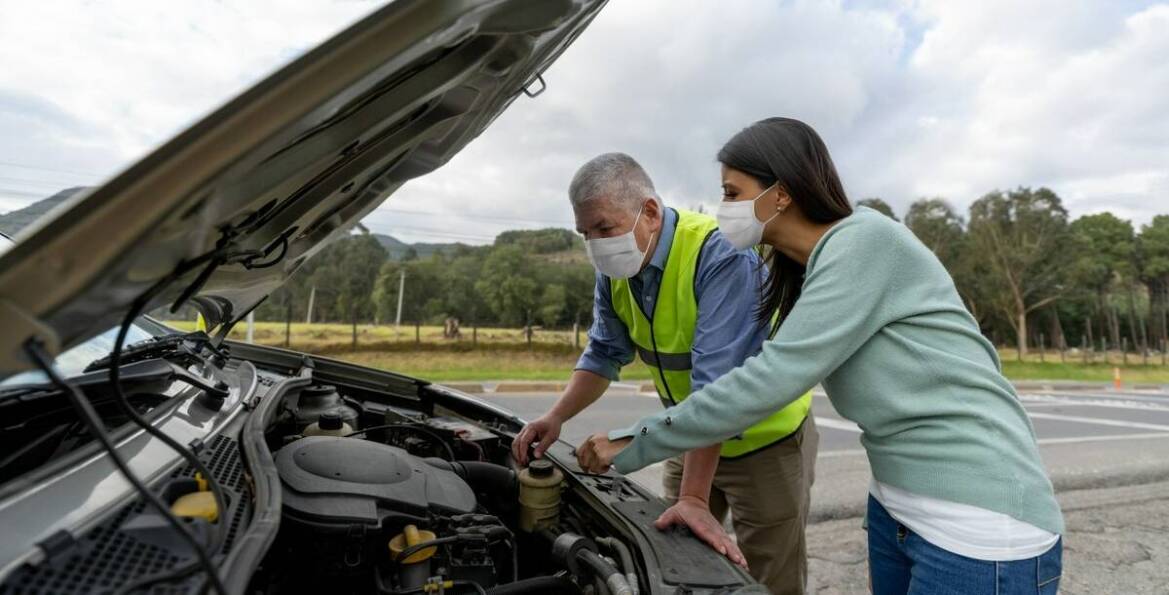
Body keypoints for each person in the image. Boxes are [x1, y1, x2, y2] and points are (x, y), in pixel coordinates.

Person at [575, 120, 1064, 595]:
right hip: (898, 505)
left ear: (780, 194)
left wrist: (631, 442)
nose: (723, 209)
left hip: (979, 518)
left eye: (731, 192)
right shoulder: (806, 269)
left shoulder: (864, 243)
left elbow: (771, 378)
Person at [512, 152, 818, 594]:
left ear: (650, 213)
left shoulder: (721, 253)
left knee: (769, 576)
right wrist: (556, 417)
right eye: (584, 234)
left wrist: (694, 496)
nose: (595, 244)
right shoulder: (617, 267)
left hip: (765, 444)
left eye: (603, 228)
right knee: (673, 562)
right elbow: (603, 354)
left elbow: (717, 386)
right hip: (686, 434)